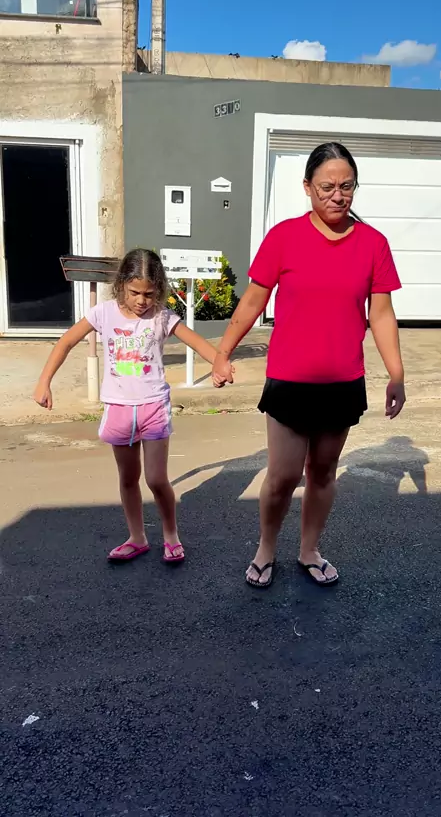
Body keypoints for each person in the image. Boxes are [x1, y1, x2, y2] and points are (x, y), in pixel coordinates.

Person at [212, 142, 406, 589]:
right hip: (289, 379)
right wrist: (223, 351)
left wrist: (396, 374)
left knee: (322, 472)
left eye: (347, 186)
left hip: (343, 381)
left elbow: (381, 314)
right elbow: (254, 299)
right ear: (307, 187)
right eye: (327, 187)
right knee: (282, 475)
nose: (338, 196)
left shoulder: (373, 244)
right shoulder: (284, 237)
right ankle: (266, 548)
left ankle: (309, 549)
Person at [34, 248, 224, 563]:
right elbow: (66, 341)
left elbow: (198, 342)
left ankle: (171, 535)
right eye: (135, 292)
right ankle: (137, 537)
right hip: (119, 408)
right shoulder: (103, 313)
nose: (141, 300)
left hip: (153, 407)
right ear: (121, 283)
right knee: (128, 478)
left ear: (158, 290)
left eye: (149, 294)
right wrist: (44, 381)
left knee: (156, 479)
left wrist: (219, 364)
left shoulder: (162, 317)